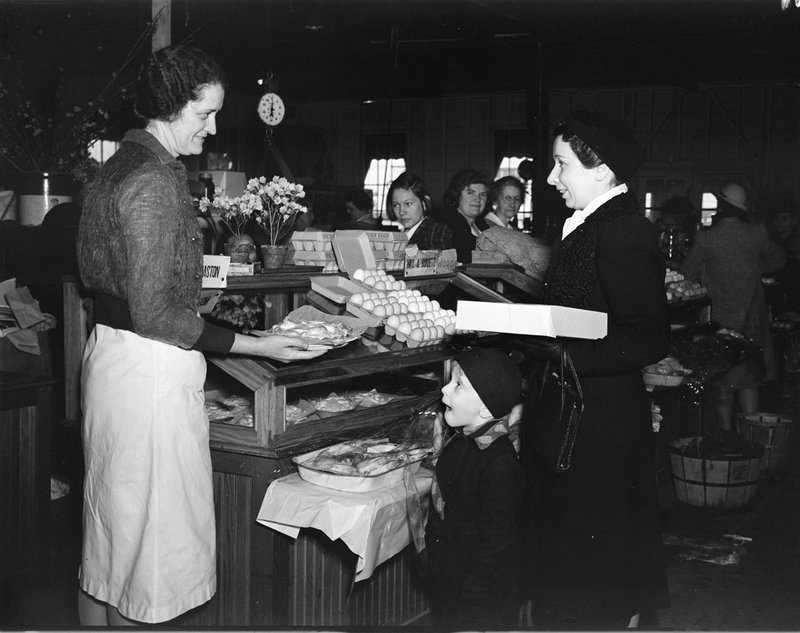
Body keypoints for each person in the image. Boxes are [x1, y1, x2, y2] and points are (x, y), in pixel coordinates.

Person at [76, 44, 325, 626]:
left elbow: (108, 280)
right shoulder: (156, 179)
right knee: (155, 554)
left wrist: (192, 296)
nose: (211, 130)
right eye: (203, 115)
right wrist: (261, 345)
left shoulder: (114, 168)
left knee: (110, 545)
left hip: (113, 362)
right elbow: (157, 315)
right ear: (167, 109)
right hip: (151, 373)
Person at [522, 110, 671, 629]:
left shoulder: (623, 231)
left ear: (602, 170)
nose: (550, 177)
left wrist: (564, 355)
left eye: (561, 164)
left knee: (591, 574)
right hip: (578, 414)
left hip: (600, 422)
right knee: (575, 568)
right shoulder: (590, 225)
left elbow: (649, 335)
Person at [424, 348, 524, 629]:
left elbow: (496, 537)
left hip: (481, 592)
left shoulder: (499, 461)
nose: (444, 389)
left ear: (485, 407)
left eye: (457, 385)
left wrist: (475, 595)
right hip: (452, 575)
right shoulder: (461, 440)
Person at [680, 183, 786, 430]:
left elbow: (687, 274)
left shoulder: (707, 238)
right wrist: (752, 270)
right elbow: (778, 258)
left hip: (720, 319)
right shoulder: (756, 232)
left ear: (722, 206)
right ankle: (751, 435)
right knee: (750, 378)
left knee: (722, 381)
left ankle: (725, 436)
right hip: (751, 316)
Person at [386, 170, 453, 250]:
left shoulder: (435, 231)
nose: (401, 211)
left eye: (408, 204)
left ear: (424, 203)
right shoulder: (401, 236)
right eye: (396, 205)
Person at [441, 169, 491, 263]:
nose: (478, 199)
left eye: (483, 195)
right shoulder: (447, 227)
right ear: (457, 195)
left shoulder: (484, 226)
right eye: (470, 193)